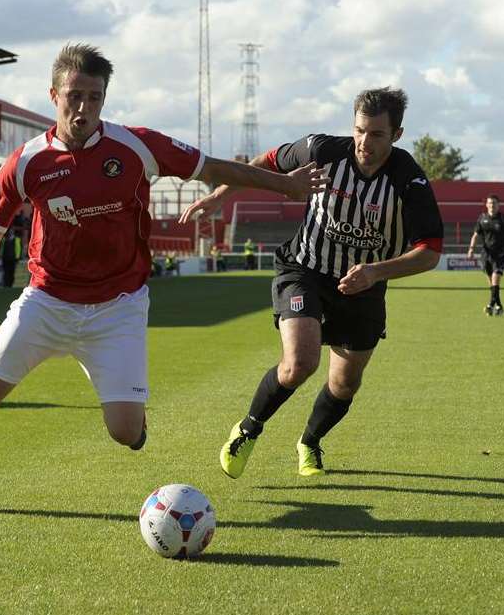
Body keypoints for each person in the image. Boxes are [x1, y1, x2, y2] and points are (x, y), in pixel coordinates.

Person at [0, 43, 328, 516]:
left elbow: (211, 168)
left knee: (124, 432)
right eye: (74, 96)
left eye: (94, 97)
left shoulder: (137, 146)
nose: (83, 108)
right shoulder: (25, 162)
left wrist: (286, 185)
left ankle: (134, 422)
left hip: (118, 307)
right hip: (46, 301)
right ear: (53, 94)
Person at [180, 87, 443, 479]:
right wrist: (221, 196)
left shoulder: (410, 182)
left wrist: (375, 272)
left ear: (397, 135)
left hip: (364, 286)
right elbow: (265, 162)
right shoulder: (322, 150)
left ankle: (310, 441)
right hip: (305, 269)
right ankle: (249, 428)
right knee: (300, 363)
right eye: (359, 131)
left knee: (345, 383)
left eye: (376, 135)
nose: (364, 143)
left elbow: (430, 251)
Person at [467, 195, 504, 316]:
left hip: (499, 254)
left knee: (495, 279)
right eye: (490, 203)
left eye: (494, 203)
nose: (492, 205)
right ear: (486, 205)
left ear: (498, 205)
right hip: (485, 255)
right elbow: (475, 235)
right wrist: (471, 249)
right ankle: (498, 305)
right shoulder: (482, 218)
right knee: (492, 282)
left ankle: (490, 304)